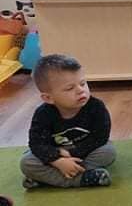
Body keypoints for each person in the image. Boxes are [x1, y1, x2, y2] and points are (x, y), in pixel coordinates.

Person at [20, 54, 115, 189]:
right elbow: (37, 143)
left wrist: (71, 155)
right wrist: (57, 160)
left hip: (86, 150)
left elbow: (100, 137)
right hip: (55, 154)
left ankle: (47, 179)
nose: (81, 90)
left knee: (108, 152)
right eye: (70, 88)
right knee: (27, 162)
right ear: (48, 98)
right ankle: (81, 179)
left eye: (83, 83)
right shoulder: (43, 114)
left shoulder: (96, 107)